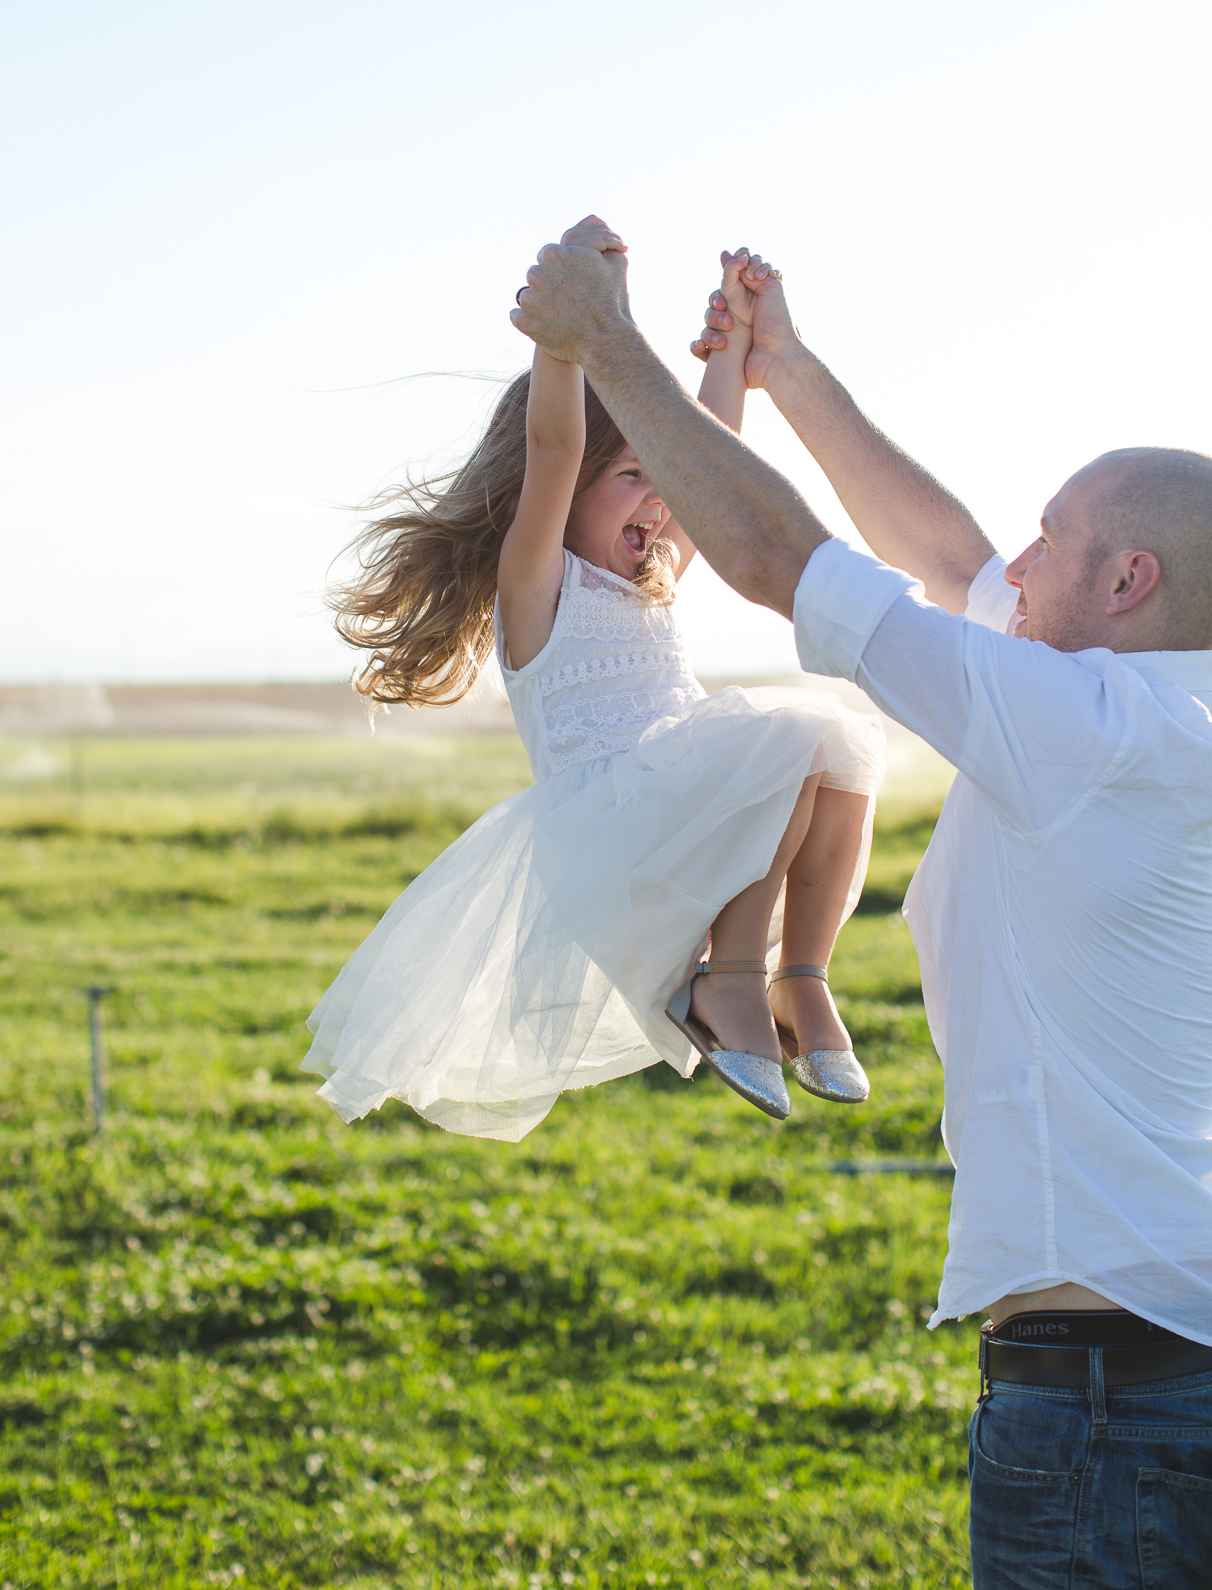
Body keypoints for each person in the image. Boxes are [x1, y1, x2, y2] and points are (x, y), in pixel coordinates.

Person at [513, 217, 1212, 1590]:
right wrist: (788, 370)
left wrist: (602, 342)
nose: (1010, 566)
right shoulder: (1172, 717)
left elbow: (776, 558)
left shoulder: (1074, 727)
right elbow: (940, 552)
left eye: (1049, 540)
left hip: (1113, 1401)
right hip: (1180, 1366)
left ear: (1126, 583)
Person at [302, 230, 884, 1141]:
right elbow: (552, 442)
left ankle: (796, 980)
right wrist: (570, 329)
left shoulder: (651, 575)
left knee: (840, 753)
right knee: (797, 735)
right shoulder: (536, 583)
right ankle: (723, 984)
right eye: (628, 478)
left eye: (662, 486)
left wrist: (728, 350)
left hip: (668, 817)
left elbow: (708, 453)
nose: (659, 503)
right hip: (610, 835)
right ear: (573, 489)